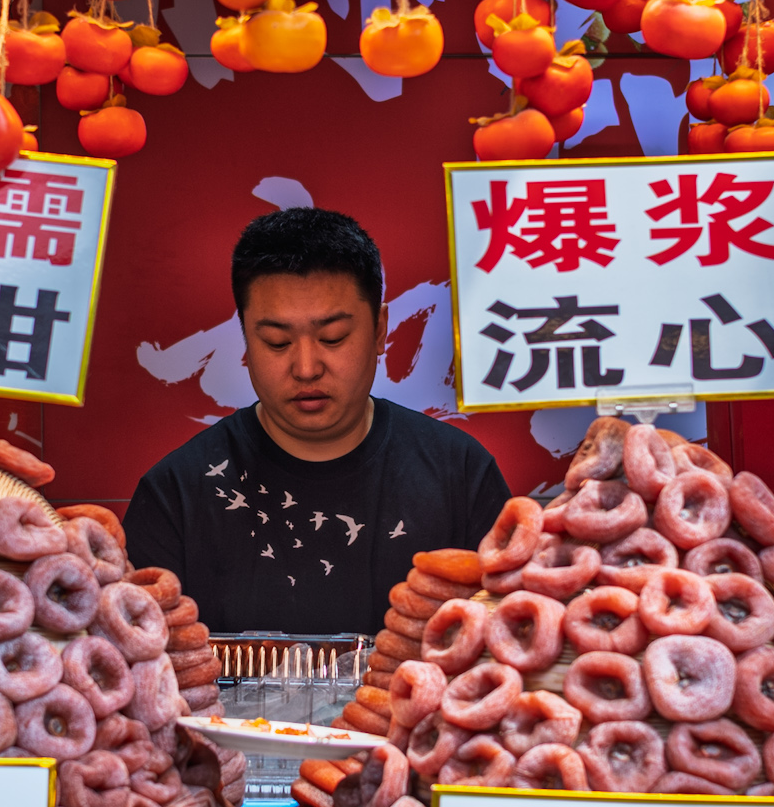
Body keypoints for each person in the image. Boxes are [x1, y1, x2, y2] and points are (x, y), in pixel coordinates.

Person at [126, 208, 510, 639]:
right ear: (246, 338)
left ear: (380, 329)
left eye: (333, 338)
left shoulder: (460, 474)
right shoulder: (175, 493)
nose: (306, 368)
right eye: (277, 342)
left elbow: (507, 637)